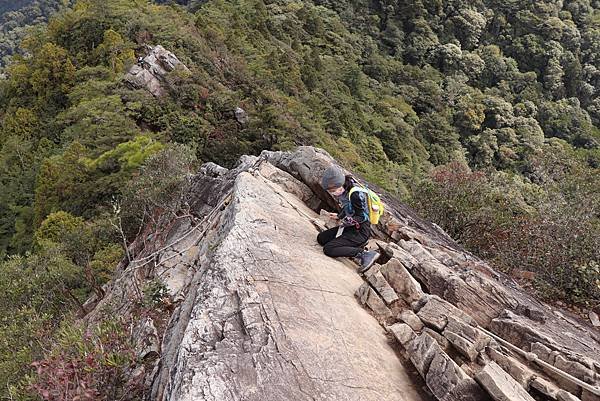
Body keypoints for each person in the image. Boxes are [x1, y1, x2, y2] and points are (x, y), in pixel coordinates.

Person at [317, 165, 380, 273]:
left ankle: (364, 254)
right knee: (321, 238)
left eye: (332, 190)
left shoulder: (355, 194)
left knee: (329, 249)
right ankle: (347, 244)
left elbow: (361, 217)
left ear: (339, 184)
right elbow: (348, 207)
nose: (332, 193)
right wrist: (339, 216)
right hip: (351, 228)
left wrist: (346, 221)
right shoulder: (346, 188)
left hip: (360, 231)